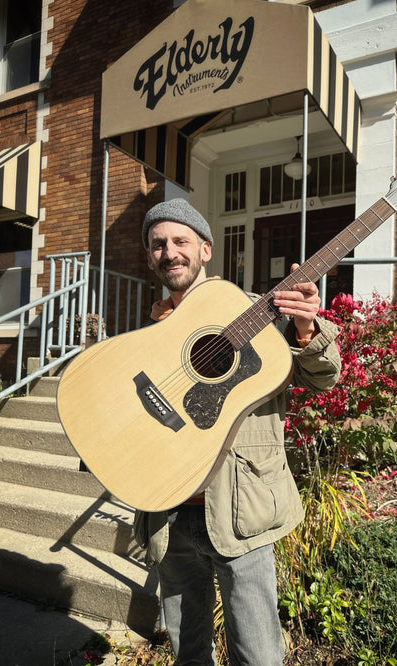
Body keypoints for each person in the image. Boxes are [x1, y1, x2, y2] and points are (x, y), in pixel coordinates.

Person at [134, 198, 341, 666]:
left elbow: (323, 377)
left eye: (180, 241)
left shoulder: (257, 313)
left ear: (206, 249)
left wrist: (306, 328)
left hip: (240, 512)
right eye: (158, 245)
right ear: (151, 257)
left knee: (258, 656)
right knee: (189, 654)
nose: (170, 252)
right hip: (169, 516)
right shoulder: (153, 325)